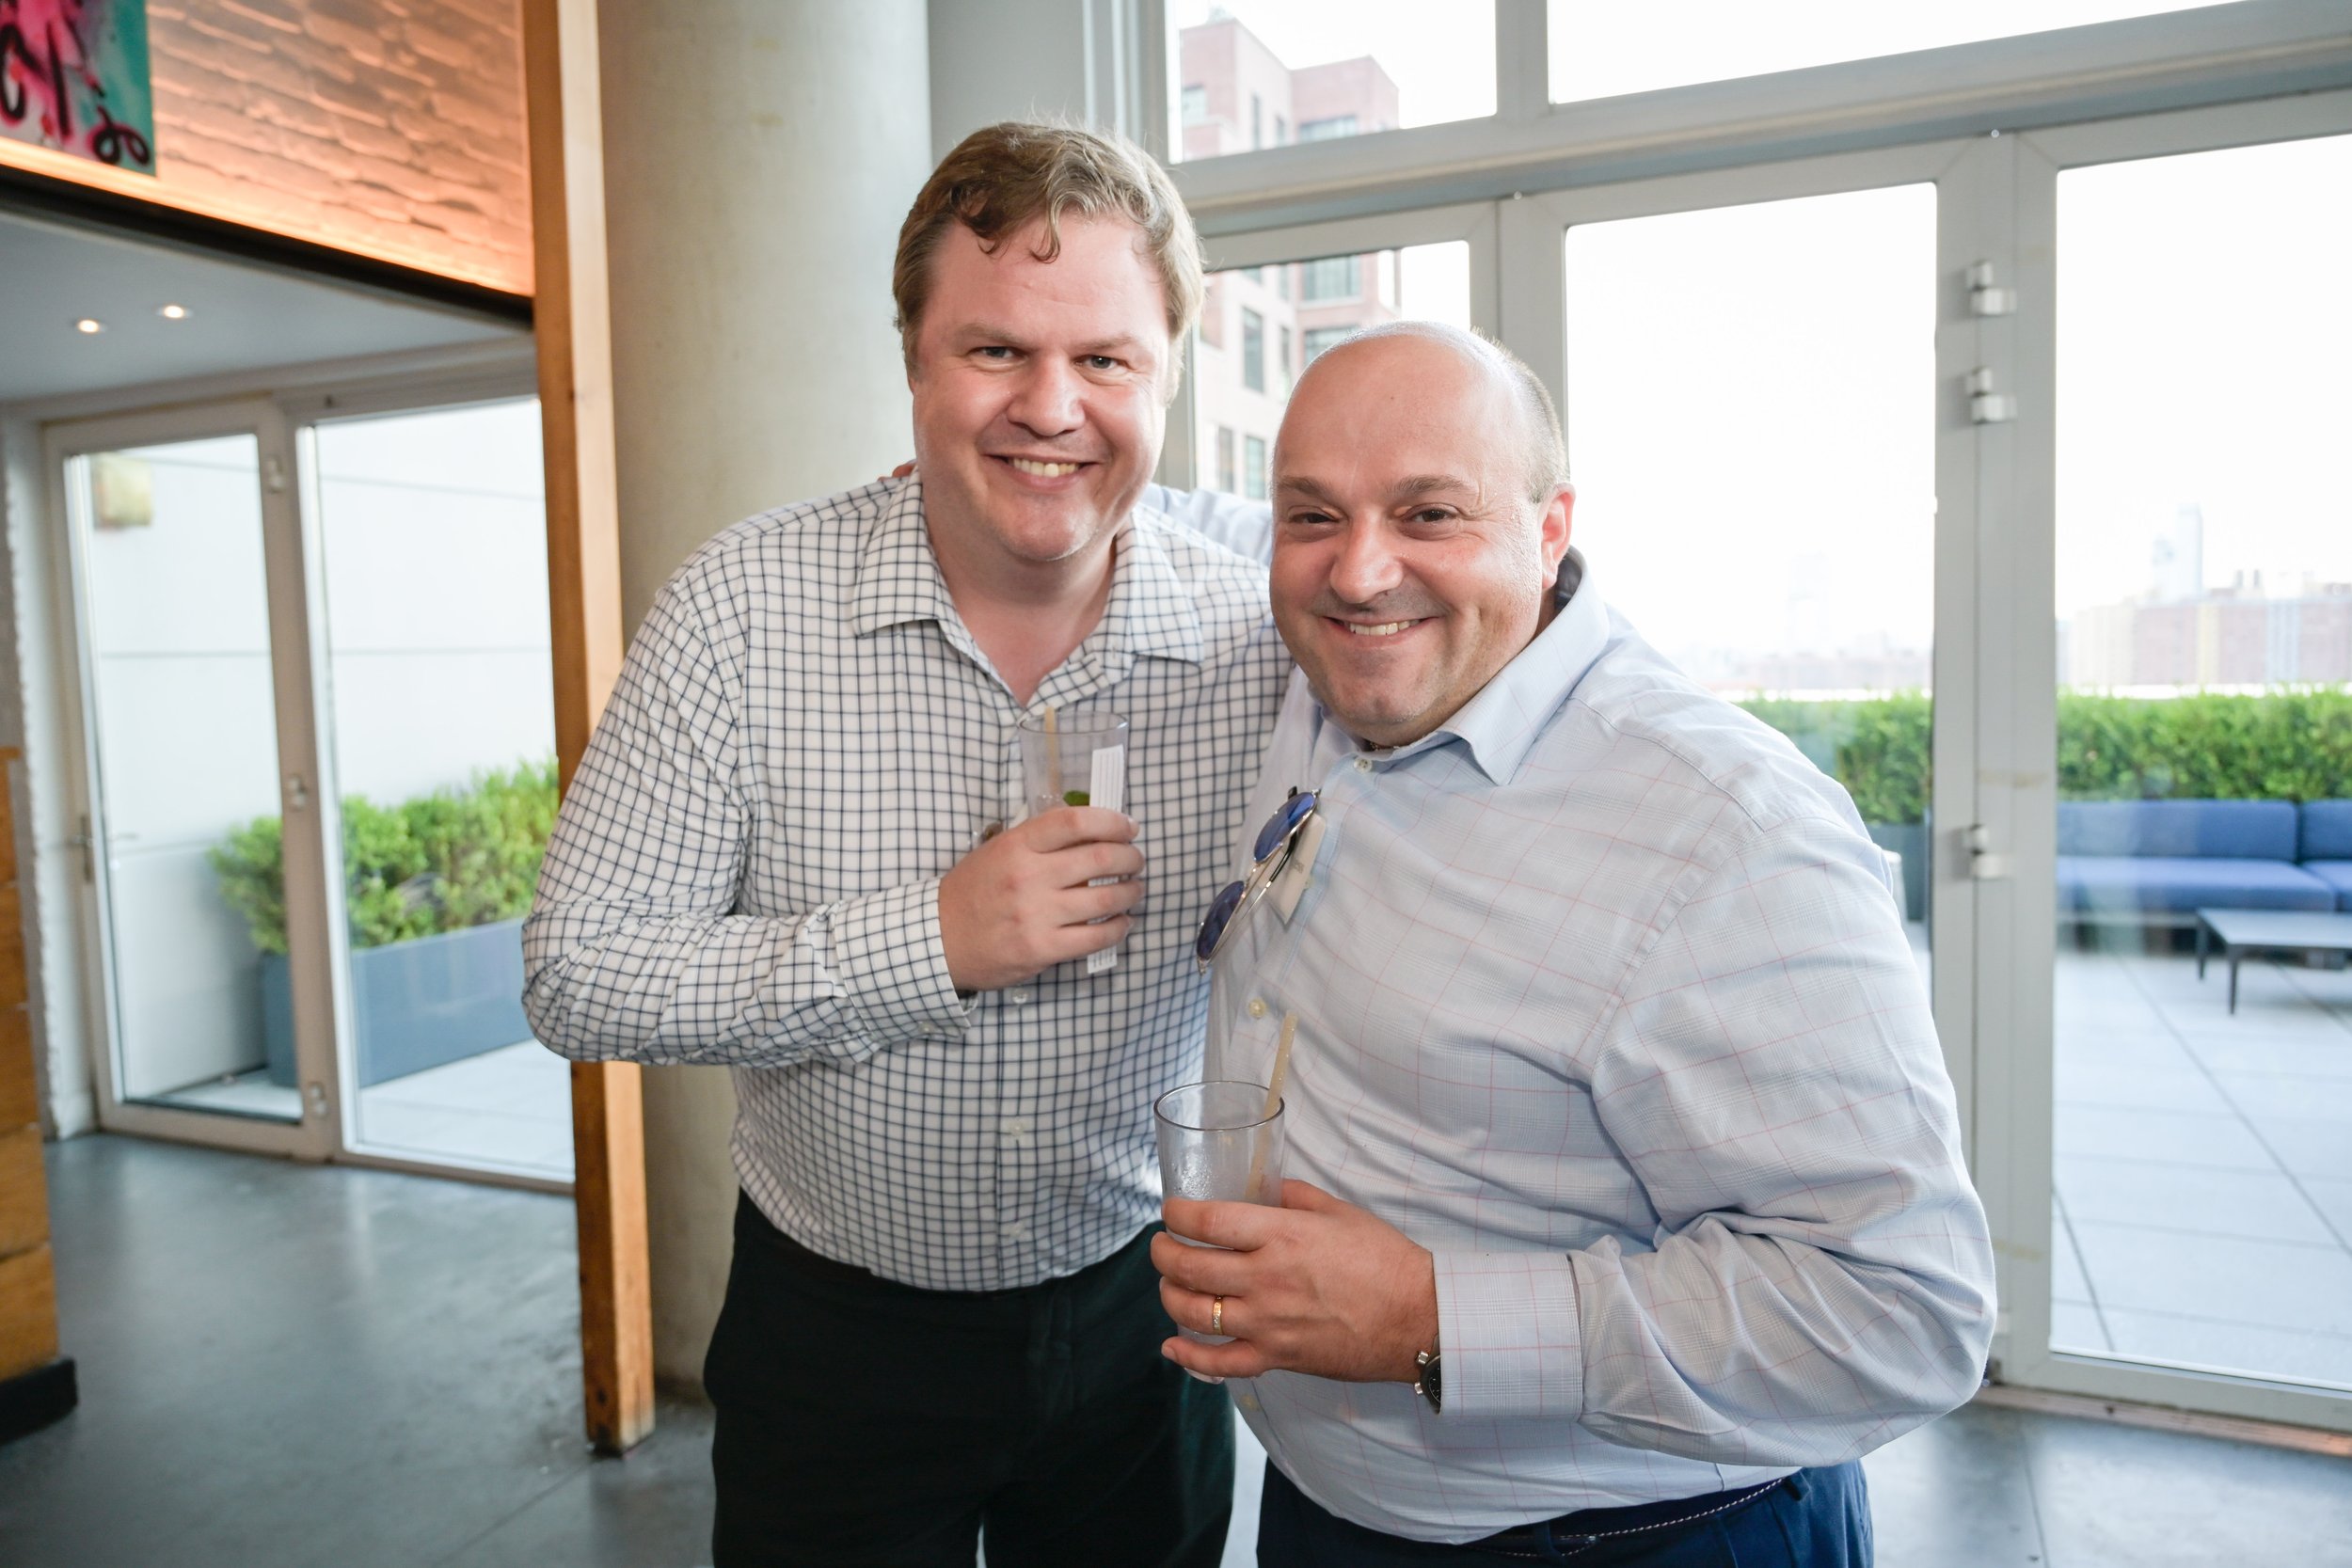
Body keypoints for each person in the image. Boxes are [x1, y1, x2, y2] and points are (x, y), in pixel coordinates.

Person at [522, 122, 1289, 1568]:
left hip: (1144, 1320)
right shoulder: (742, 609)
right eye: (995, 350)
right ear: (917, 363)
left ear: (1168, 374)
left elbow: (1485, 588)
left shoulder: (1261, 629)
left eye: (1106, 359)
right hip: (836, 1337)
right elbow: (578, 971)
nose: (1051, 407)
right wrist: (929, 940)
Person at [1152, 323, 1997, 1566]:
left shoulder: (1726, 833)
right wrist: (1018, 460)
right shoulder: (1329, 686)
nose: (1361, 571)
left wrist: (1431, 1316)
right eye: (1312, 515)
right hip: (1326, 1515)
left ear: (1549, 530)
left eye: (1431, 514)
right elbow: (1169, 510)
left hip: (1636, 1539)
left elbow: (1904, 1314)